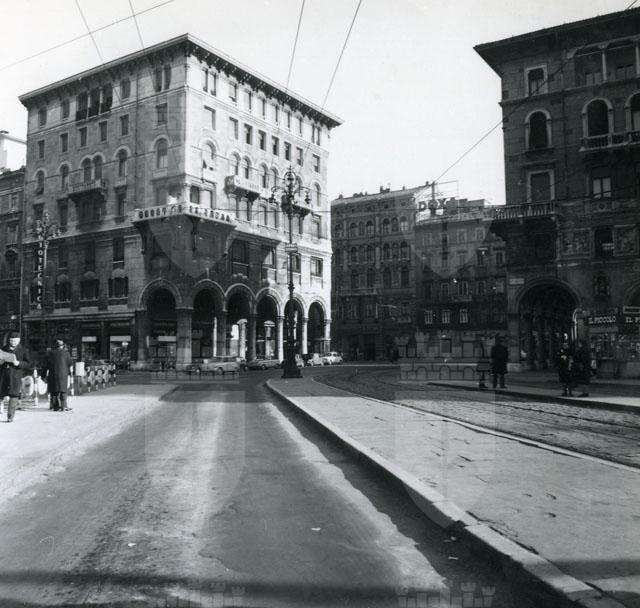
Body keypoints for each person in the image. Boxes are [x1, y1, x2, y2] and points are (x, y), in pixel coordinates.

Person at [0, 331, 32, 423]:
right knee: (1, 393)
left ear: (19, 340)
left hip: (15, 376)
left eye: (15, 341)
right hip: (3, 375)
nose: (13, 342)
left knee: (13, 395)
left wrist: (19, 363)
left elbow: (29, 363)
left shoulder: (23, 350)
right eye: (11, 340)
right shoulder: (3, 349)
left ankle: (10, 417)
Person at [42, 338, 73, 412]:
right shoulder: (66, 353)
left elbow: (45, 366)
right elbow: (70, 364)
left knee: (54, 390)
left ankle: (55, 406)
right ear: (62, 346)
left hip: (53, 374)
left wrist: (43, 376)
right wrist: (69, 373)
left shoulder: (49, 353)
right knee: (63, 390)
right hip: (63, 375)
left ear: (54, 346)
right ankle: (63, 406)